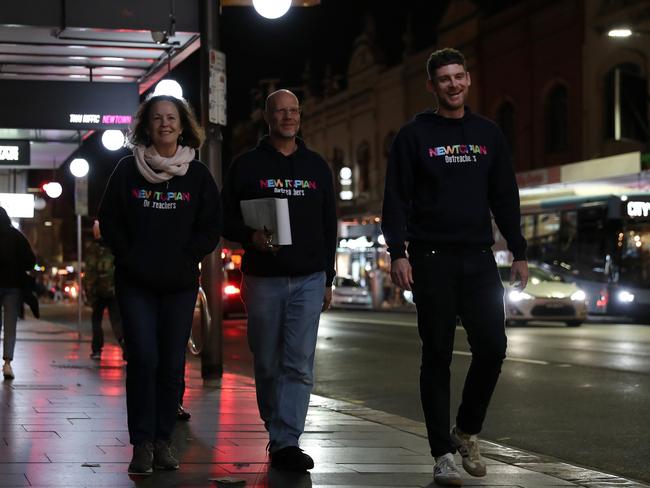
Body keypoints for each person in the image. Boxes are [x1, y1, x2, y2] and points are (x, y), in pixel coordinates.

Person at [381, 48, 529, 486]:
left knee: (494, 348)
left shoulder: (488, 133)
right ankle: (441, 453)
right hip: (430, 259)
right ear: (432, 86)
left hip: (479, 258)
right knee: (438, 355)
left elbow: (505, 195)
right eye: (443, 78)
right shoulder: (414, 136)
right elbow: (396, 199)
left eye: (459, 76)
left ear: (468, 79)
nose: (452, 84)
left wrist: (518, 251)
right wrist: (398, 252)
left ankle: (465, 430)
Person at [98, 94, 222, 475]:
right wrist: (130, 255)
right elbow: (109, 221)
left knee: (171, 364)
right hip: (135, 283)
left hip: (180, 284)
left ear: (183, 125)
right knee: (144, 360)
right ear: (146, 126)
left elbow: (211, 226)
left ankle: (165, 440)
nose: (165, 124)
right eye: (157, 118)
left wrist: (189, 256)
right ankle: (142, 444)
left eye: (172, 118)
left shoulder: (198, 176)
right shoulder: (126, 170)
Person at [222, 89, 337, 472]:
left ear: (300, 116)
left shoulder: (317, 166)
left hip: (309, 276)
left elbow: (328, 225)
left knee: (299, 363)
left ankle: (287, 439)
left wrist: (328, 278)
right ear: (267, 117)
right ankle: (276, 426)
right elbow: (224, 218)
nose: (288, 118)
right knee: (267, 361)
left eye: (294, 111)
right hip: (263, 277)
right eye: (280, 112)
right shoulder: (246, 165)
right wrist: (249, 236)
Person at [0, 206, 36, 381]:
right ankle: (7, 363)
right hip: (13, 287)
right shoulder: (17, 236)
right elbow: (31, 262)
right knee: (10, 326)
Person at [85, 219, 124, 360]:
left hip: (99, 291)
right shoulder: (115, 245)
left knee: (96, 320)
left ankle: (97, 349)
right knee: (117, 321)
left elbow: (90, 271)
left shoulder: (94, 248)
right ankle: (126, 347)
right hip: (114, 289)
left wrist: (89, 291)